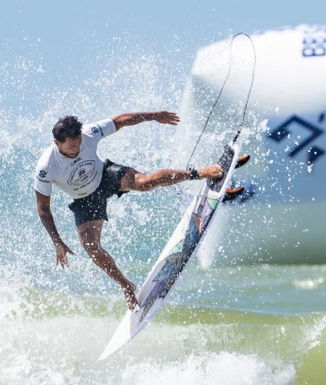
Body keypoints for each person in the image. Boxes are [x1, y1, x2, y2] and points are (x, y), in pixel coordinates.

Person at [33, 112, 224, 308]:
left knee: (145, 183)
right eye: (71, 146)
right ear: (57, 143)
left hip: (105, 176)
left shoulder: (88, 133)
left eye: (79, 143)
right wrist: (57, 242)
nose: (77, 148)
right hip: (84, 200)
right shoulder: (46, 167)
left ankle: (200, 172)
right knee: (91, 247)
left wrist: (154, 116)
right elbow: (43, 208)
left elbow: (120, 121)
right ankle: (126, 285)